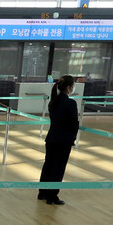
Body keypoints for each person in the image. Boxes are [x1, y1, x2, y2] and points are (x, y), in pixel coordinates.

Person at [38, 75, 79, 205]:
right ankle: (52, 196)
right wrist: (73, 135)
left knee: (48, 165)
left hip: (51, 139)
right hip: (63, 140)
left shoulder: (53, 101)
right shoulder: (70, 103)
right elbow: (73, 123)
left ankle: (42, 193)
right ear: (68, 87)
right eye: (73, 85)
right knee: (58, 168)